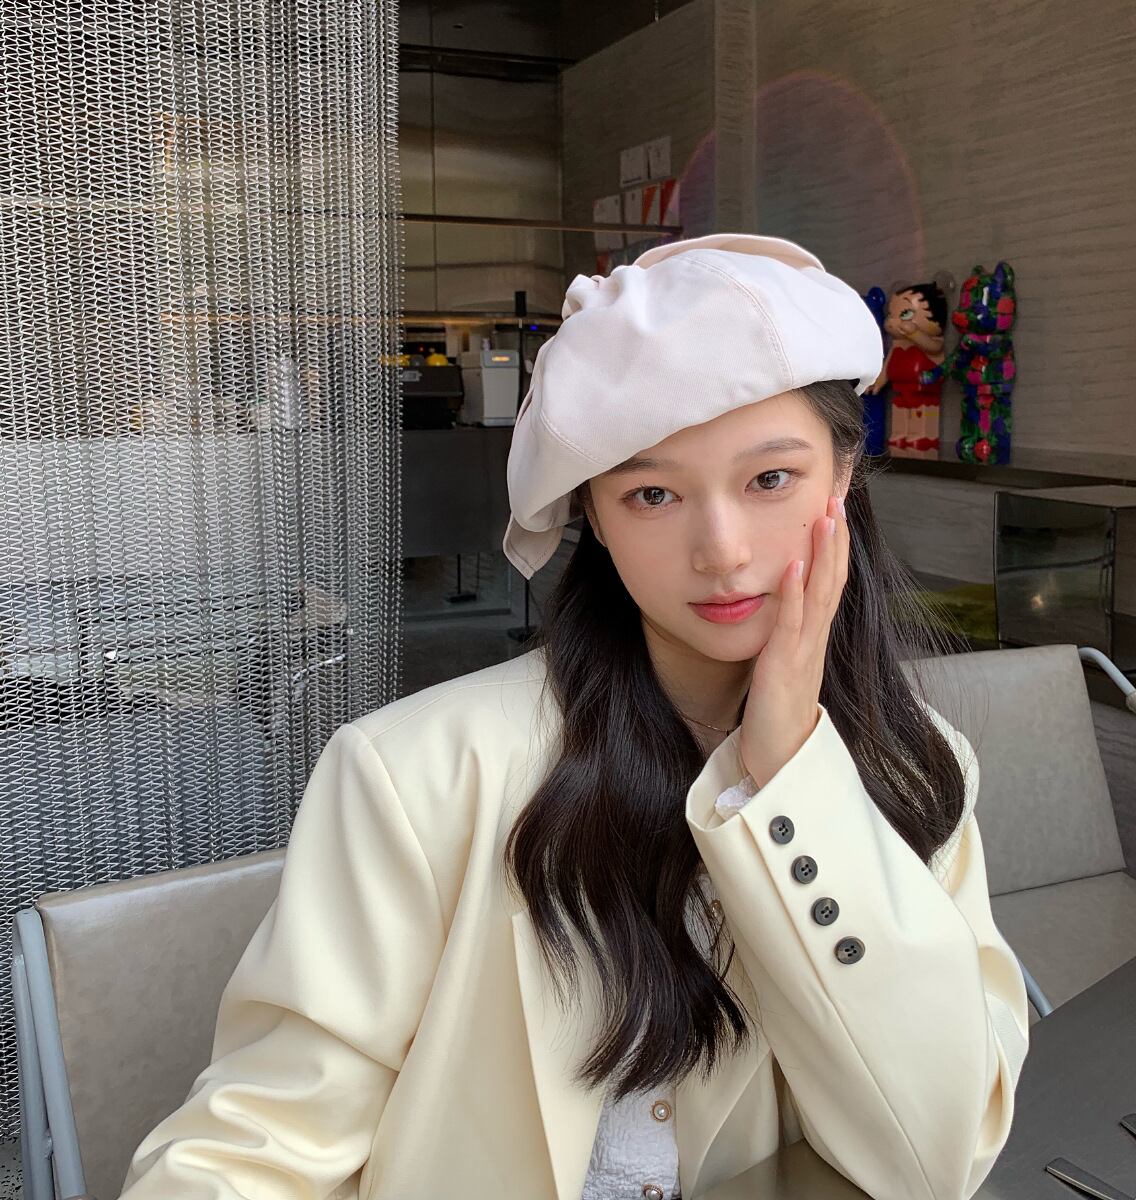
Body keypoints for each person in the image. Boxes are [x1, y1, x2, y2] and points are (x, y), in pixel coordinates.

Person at [118, 233, 1029, 1200]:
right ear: (592, 513)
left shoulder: (916, 767)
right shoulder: (417, 773)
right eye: (652, 493)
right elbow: (251, 1152)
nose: (721, 551)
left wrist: (792, 774)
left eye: (770, 479)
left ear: (843, 476)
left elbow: (937, 1158)